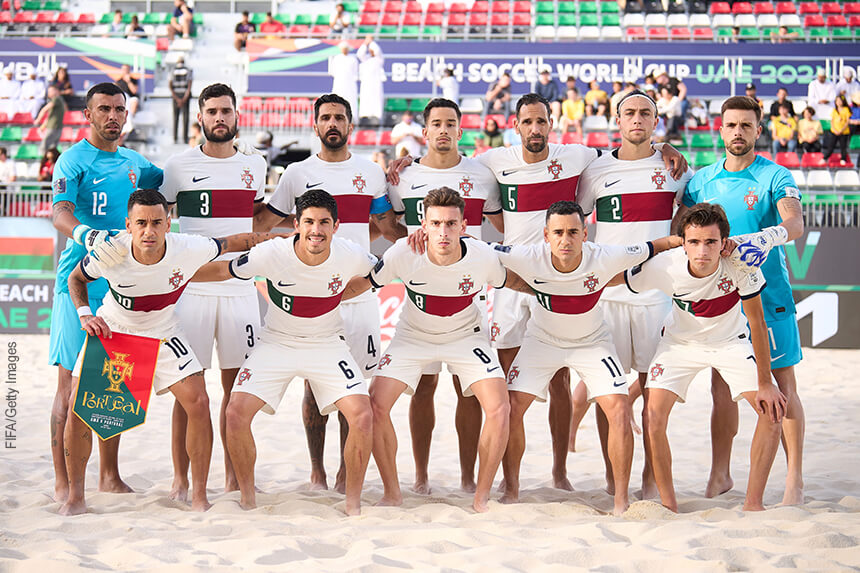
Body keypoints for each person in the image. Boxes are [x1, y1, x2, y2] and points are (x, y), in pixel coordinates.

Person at [388, 93, 687, 492]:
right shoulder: (492, 163)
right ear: (515, 126)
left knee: (561, 379)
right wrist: (405, 160)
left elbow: (628, 149)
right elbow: (440, 193)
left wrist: (664, 146)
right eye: (527, 122)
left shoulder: (579, 156)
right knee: (510, 385)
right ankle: (507, 481)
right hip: (512, 282)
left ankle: (559, 471)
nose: (535, 128)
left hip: (562, 280)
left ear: (551, 123)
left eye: (541, 121)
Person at [61, 188, 281, 515]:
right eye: (141, 223)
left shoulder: (189, 247)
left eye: (156, 222)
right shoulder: (111, 252)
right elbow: (75, 279)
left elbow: (235, 241)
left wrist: (285, 237)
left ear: (168, 223)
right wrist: (84, 314)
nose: (148, 231)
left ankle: (199, 496)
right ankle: (75, 498)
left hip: (164, 330)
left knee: (199, 401)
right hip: (116, 327)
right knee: (81, 406)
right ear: (128, 225)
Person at [254, 93, 405, 494]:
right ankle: (317, 471)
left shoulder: (370, 173)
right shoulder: (296, 174)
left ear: (350, 126)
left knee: (353, 388)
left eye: (340, 117)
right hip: (312, 299)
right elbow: (264, 224)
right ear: (315, 125)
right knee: (312, 387)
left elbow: (387, 229)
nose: (333, 123)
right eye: (326, 118)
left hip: (358, 297)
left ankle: (343, 472)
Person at [495, 201, 682, 515]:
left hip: (592, 341)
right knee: (511, 408)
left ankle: (620, 499)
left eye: (572, 232)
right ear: (545, 235)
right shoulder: (527, 256)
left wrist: (685, 241)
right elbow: (479, 249)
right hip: (541, 340)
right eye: (558, 233)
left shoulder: (605, 255)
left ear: (585, 233)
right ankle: (511, 489)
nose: (565, 239)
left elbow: (655, 246)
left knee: (620, 409)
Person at [199, 190, 378, 515]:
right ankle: (248, 499)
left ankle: (353, 505)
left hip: (326, 342)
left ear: (336, 226)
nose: (316, 230)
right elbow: (224, 270)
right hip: (276, 342)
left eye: (324, 222)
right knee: (235, 414)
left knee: (363, 416)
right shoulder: (272, 253)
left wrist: (344, 293)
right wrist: (174, 279)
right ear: (297, 224)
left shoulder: (351, 253)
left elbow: (378, 273)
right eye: (309, 222)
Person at [343, 187, 519, 512]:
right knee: (375, 406)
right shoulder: (402, 253)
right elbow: (366, 283)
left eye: (451, 223)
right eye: (436, 223)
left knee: (499, 408)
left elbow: (518, 280)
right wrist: (320, 297)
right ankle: (392, 493)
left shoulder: (483, 256)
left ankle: (481, 497)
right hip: (413, 335)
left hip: (466, 335)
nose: (443, 232)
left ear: (464, 225)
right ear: (423, 225)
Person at [676, 95, 805, 506]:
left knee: (782, 385)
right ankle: (720, 474)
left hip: (769, 297)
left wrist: (765, 237)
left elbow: (796, 222)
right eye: (731, 125)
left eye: (746, 126)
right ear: (720, 129)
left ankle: (794, 480)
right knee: (722, 389)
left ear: (757, 130)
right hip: (721, 302)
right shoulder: (700, 181)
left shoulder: (775, 176)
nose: (738, 132)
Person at [573, 90, 692, 497]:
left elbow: (686, 220)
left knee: (652, 396)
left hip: (657, 297)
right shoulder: (596, 170)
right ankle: (614, 475)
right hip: (607, 297)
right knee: (610, 395)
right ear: (617, 121)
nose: (637, 119)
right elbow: (574, 220)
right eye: (629, 113)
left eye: (646, 113)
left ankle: (648, 477)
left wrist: (667, 148)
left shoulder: (675, 168)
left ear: (656, 122)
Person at [49, 82, 163, 505]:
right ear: (88, 114)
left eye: (119, 109)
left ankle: (109, 475)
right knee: (69, 388)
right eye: (104, 109)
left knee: (111, 385)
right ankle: (63, 480)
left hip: (122, 289)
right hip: (77, 284)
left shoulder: (136, 162)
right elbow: (59, 209)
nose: (113, 116)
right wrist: (86, 232)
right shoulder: (73, 160)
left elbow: (169, 183)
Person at [633, 203, 786, 512]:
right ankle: (669, 504)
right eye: (694, 242)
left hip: (730, 342)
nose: (702, 250)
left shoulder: (742, 263)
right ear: (683, 243)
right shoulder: (664, 266)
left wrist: (766, 382)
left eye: (711, 242)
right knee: (653, 416)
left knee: (772, 410)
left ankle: (752, 505)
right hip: (679, 343)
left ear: (724, 242)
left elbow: (757, 322)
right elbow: (613, 280)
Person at [386, 98, 503, 494]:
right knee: (422, 388)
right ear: (425, 132)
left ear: (460, 130)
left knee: (467, 390)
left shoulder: (482, 173)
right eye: (435, 123)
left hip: (467, 298)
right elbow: (390, 227)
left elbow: (504, 221)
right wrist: (410, 242)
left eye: (450, 123)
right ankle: (420, 475)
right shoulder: (402, 176)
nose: (443, 130)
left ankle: (468, 476)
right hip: (421, 300)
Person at [158, 83, 268, 500]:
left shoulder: (255, 165)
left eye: (226, 111)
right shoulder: (177, 166)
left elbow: (257, 217)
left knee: (234, 390)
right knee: (189, 393)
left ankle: (231, 476)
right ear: (199, 117)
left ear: (236, 116)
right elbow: (159, 218)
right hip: (192, 291)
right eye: (212, 112)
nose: (219, 118)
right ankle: (181, 480)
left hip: (241, 292)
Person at [357, 36, 385, 124]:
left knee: (376, 100)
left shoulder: (379, 60)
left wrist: (371, 42)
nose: (371, 51)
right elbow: (360, 54)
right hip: (366, 84)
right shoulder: (365, 60)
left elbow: (378, 51)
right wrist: (366, 43)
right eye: (370, 50)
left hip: (376, 83)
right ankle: (364, 117)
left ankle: (376, 118)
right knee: (365, 100)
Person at [35, 85, 66, 156]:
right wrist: (43, 126)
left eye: (51, 91)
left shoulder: (56, 99)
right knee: (52, 148)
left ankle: (44, 161)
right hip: (55, 127)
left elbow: (44, 109)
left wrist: (38, 119)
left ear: (56, 91)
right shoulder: (58, 100)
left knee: (44, 146)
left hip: (53, 127)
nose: (49, 93)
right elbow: (50, 116)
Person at [329, 42, 359, 116]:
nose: (345, 50)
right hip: (339, 84)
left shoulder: (353, 59)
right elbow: (332, 72)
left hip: (350, 85)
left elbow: (355, 73)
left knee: (351, 101)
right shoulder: (337, 58)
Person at [169, 56, 193, 144]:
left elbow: (170, 85)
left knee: (175, 117)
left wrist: (176, 98)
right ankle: (185, 138)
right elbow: (189, 85)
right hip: (184, 96)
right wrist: (184, 98)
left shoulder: (172, 70)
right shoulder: (188, 70)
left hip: (176, 95)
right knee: (185, 117)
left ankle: (175, 138)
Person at [823, 94, 851, 165]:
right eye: (837, 101)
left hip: (843, 132)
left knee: (843, 146)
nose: (838, 102)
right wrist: (834, 130)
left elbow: (847, 121)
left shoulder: (846, 110)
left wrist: (841, 130)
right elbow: (832, 121)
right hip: (834, 131)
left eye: (840, 101)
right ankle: (825, 158)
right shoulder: (834, 110)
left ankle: (843, 159)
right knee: (831, 145)